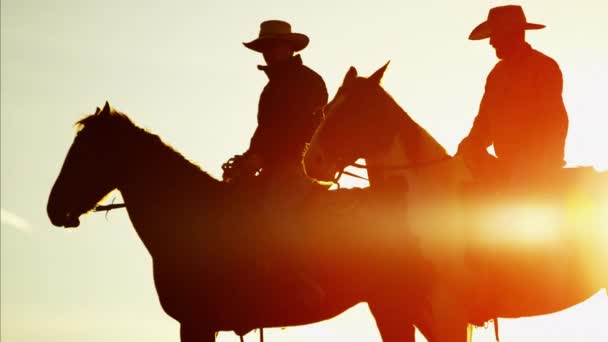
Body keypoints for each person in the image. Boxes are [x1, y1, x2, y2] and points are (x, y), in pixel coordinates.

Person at [457, 5, 569, 190]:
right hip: (508, 165)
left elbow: (553, 120)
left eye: (495, 35)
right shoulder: (496, 75)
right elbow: (484, 121)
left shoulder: (543, 67)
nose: (491, 42)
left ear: (512, 34)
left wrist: (533, 162)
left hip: (539, 167)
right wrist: (471, 144)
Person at [222, 20, 328, 188]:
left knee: (271, 210)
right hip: (272, 169)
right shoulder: (271, 88)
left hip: (295, 169)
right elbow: (264, 130)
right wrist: (250, 156)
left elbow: (304, 127)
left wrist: (262, 156)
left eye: (273, 46)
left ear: (290, 48)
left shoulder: (308, 80)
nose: (268, 52)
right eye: (265, 48)